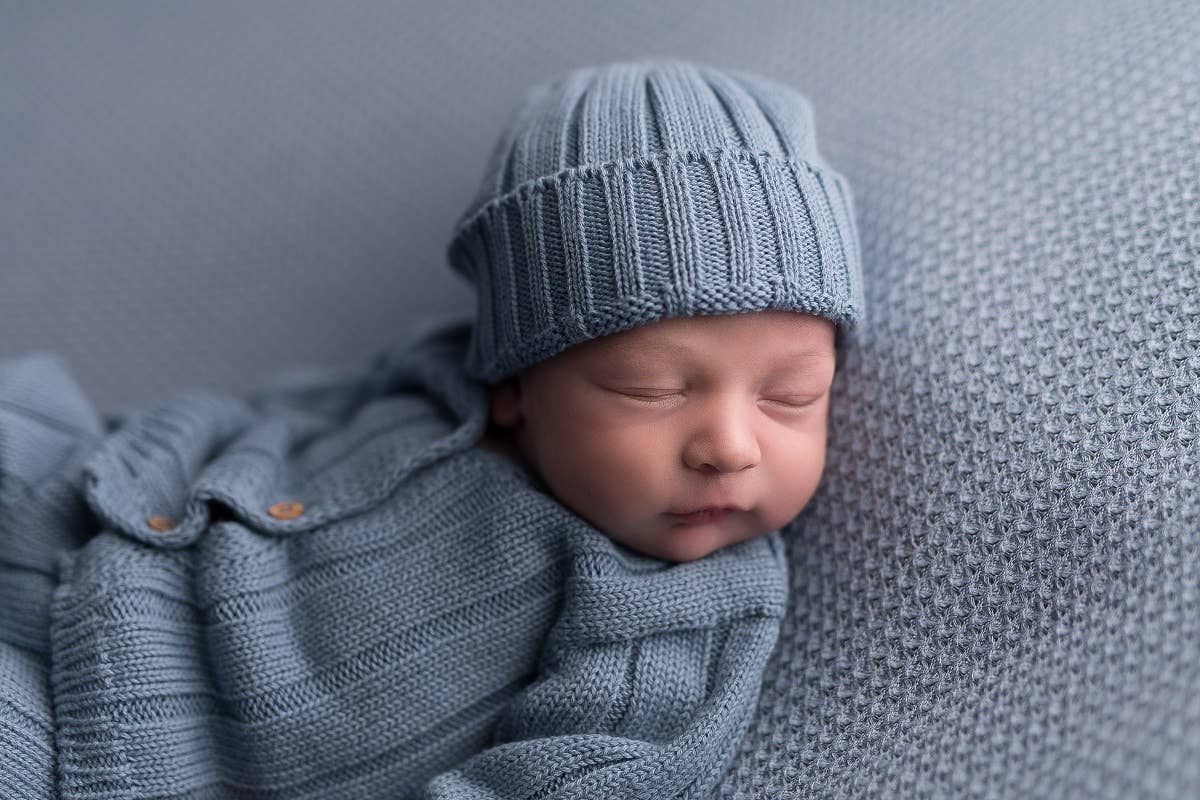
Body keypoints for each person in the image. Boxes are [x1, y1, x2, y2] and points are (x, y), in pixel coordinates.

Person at [0, 58, 863, 799]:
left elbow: (572, 774)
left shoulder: (675, 609)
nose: (730, 446)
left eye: (791, 395)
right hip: (93, 507)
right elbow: (289, 418)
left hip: (116, 742)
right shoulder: (440, 376)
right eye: (649, 388)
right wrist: (136, 450)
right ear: (517, 381)